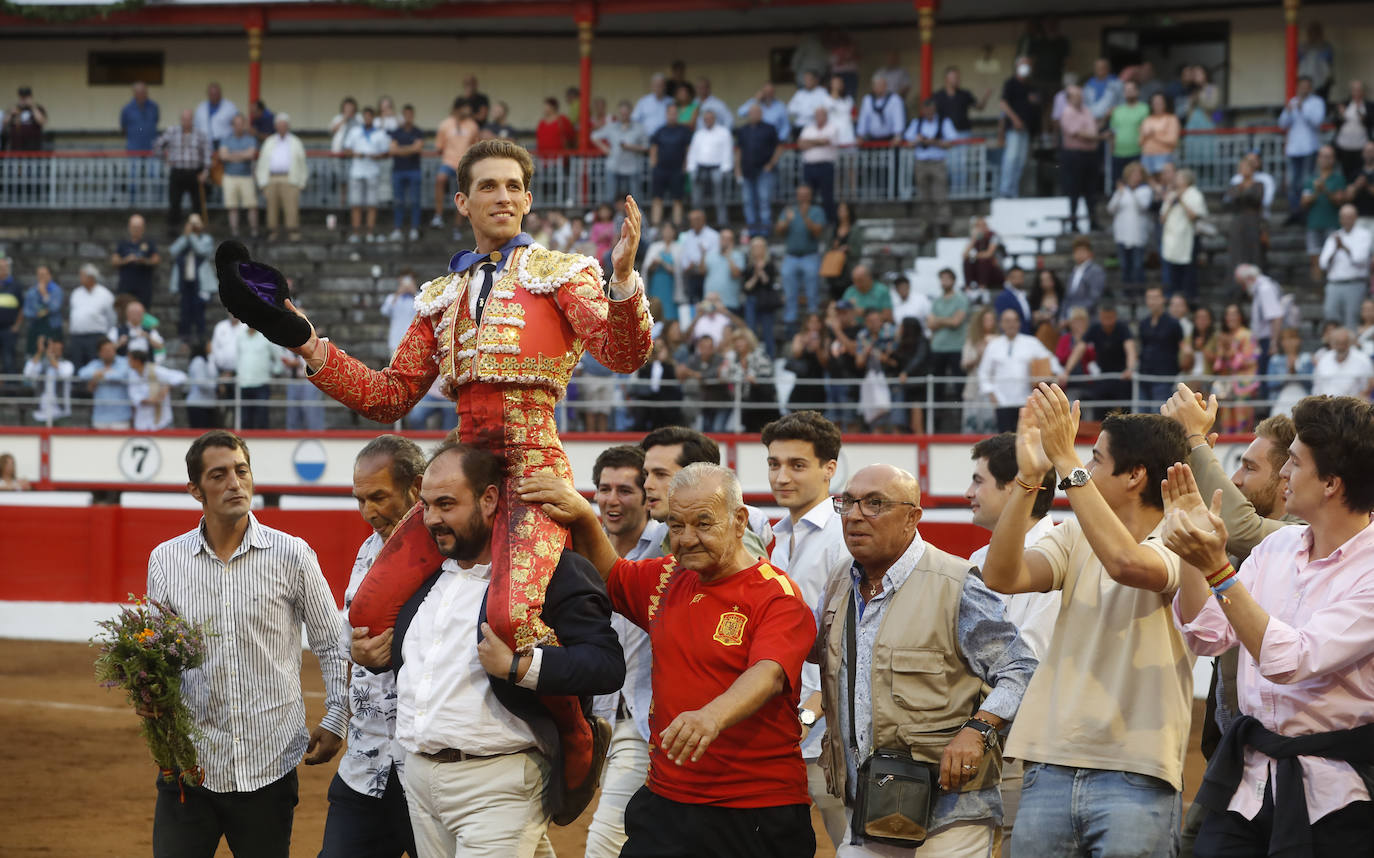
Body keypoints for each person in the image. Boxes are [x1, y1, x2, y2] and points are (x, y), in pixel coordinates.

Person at [225, 138, 651, 803]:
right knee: (365, 613)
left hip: (535, 474)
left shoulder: (564, 273)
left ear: (529, 199)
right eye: (489, 187)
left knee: (512, 620)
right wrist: (304, 339)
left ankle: (575, 728)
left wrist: (624, 279)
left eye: (514, 186)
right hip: (460, 476)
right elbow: (386, 396)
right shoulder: (440, 297)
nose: (503, 197)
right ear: (463, 201)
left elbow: (624, 354)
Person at [519, 462, 818, 858]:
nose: (687, 539)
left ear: (739, 520)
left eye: (703, 524)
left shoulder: (776, 595)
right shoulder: (667, 577)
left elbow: (768, 673)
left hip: (754, 807)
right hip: (667, 798)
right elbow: (611, 574)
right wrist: (581, 514)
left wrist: (711, 715)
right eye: (676, 526)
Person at [347, 441, 622, 857]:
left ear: (490, 499)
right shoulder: (422, 581)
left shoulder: (552, 573)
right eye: (426, 506)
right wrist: (368, 654)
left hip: (501, 780)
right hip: (420, 778)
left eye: (446, 504)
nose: (433, 519)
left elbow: (605, 664)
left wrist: (520, 666)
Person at [981, 388, 1196, 858]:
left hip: (1136, 768)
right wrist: (1029, 477)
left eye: (1097, 459)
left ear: (1135, 474)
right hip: (1050, 760)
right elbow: (1001, 575)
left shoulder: (1184, 535)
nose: (1087, 467)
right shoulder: (1075, 532)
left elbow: (1126, 563)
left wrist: (1063, 458)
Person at [1165, 394, 1374, 854]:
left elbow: (1290, 659)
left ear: (1331, 483)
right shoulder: (1276, 550)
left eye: (1294, 462)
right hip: (1248, 783)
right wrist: (1189, 549)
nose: (1283, 473)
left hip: (1335, 796)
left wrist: (1218, 569)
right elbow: (1205, 633)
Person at [813, 463, 1037, 855]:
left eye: (875, 504)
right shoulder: (838, 585)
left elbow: (1020, 669)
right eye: (847, 503)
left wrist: (979, 729)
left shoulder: (955, 583)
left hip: (951, 812)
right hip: (869, 810)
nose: (854, 515)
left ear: (912, 517)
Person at [146, 430, 347, 857]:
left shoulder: (292, 554)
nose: (235, 483)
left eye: (241, 471)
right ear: (195, 490)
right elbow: (156, 656)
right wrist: (148, 691)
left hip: (267, 765)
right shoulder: (165, 560)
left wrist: (336, 719)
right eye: (218, 475)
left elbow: (332, 643)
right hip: (189, 765)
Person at [1158, 384, 1302, 855]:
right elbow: (1204, 630)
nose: (1236, 479)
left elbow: (1241, 530)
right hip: (1238, 747)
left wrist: (1197, 444)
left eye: (1249, 467)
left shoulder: (1294, 540)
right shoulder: (1262, 552)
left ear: (1287, 480)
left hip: (1288, 757)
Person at [317, 436, 424, 858]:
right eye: (360, 500)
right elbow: (351, 643)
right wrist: (340, 712)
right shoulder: (368, 549)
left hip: (426, 765)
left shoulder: (451, 552)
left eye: (378, 497)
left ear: (416, 487)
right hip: (366, 759)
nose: (368, 512)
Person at [756, 411, 850, 850]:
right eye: (774, 464)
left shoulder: (844, 538)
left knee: (854, 842)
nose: (781, 475)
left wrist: (810, 716)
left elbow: (850, 644)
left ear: (829, 468)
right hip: (781, 728)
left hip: (825, 730)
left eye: (797, 465)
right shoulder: (772, 537)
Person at [582, 445, 666, 858]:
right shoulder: (580, 550)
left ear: (646, 495)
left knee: (606, 838)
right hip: (597, 714)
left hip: (642, 717)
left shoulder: (670, 547)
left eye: (625, 490)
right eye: (604, 489)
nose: (612, 500)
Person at [979, 308, 1061, 432]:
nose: (1011, 324)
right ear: (1001, 324)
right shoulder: (993, 345)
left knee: (1025, 441)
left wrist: (1060, 373)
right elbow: (983, 372)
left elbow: (1050, 359)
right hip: (1001, 402)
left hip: (1025, 401)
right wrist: (991, 393)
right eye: (1007, 321)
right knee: (1004, 442)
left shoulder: (1031, 342)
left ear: (1019, 323)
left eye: (1014, 321)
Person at [776, 184, 826, 338]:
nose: (803, 197)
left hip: (810, 255)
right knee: (788, 284)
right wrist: (787, 222)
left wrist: (805, 217)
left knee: (812, 287)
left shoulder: (817, 211)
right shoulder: (789, 211)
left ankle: (813, 318)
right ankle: (790, 320)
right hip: (791, 256)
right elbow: (778, 230)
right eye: (800, 194)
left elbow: (818, 232)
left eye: (806, 194)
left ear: (810, 196)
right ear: (797, 196)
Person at [903, 98, 956, 234]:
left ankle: (944, 224)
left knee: (940, 195)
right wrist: (918, 141)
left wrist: (934, 142)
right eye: (926, 110)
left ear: (934, 109)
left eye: (930, 109)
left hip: (937, 162)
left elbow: (951, 142)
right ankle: (927, 225)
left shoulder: (944, 122)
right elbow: (908, 143)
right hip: (921, 163)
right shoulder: (917, 123)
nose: (928, 112)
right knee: (924, 196)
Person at [255, 114, 307, 242]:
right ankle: (273, 234)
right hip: (271, 179)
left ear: (288, 126)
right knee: (271, 210)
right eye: (279, 125)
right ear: (275, 126)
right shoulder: (269, 141)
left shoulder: (295, 142)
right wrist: (262, 184)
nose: (282, 127)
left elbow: (302, 164)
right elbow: (261, 163)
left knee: (291, 209)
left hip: (290, 179)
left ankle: (293, 235)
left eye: (284, 125)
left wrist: (301, 183)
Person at [1319, 204, 1372, 330]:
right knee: (1330, 317)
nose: (1346, 220)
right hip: (1334, 284)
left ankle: (1352, 348)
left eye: (1349, 217)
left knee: (1352, 319)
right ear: (1340, 219)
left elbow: (1360, 259)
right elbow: (1323, 264)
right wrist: (1335, 249)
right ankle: (1333, 347)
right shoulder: (1334, 236)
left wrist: (1344, 247)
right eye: (1343, 217)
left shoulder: (1364, 235)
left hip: (1355, 283)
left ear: (1355, 218)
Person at [432, 98, 480, 236]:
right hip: (448, 163)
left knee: (464, 191)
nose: (469, 111)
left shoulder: (472, 125)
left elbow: (475, 146)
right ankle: (438, 216)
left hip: (464, 165)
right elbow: (439, 147)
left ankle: (457, 226)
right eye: (466, 107)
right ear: (458, 108)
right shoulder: (445, 124)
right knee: (440, 179)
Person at [343, 106, 390, 244]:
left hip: (372, 172)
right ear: (363, 117)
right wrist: (356, 154)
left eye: (370, 116)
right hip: (356, 172)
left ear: (373, 118)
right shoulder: (355, 131)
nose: (368, 118)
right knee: (356, 204)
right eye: (366, 116)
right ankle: (356, 233)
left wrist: (377, 156)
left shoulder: (380, 133)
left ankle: (369, 233)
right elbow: (346, 150)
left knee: (371, 205)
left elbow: (386, 153)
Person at [1058, 85, 1102, 231]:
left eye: (1080, 95)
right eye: (1076, 95)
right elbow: (1078, 134)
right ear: (1069, 98)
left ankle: (1093, 222)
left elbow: (1093, 129)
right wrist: (1099, 137)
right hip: (1074, 155)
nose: (1080, 98)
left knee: (1091, 190)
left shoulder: (1087, 111)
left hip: (1090, 154)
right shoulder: (1067, 113)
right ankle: (1073, 223)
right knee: (1074, 189)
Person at [734, 104, 782, 237]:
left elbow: (779, 148)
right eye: (752, 112)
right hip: (746, 170)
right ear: (748, 114)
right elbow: (739, 151)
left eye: (757, 112)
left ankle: (765, 229)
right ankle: (752, 229)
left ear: (761, 114)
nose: (755, 115)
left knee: (764, 199)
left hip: (764, 170)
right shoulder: (743, 130)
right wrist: (737, 169)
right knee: (748, 201)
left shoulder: (769, 128)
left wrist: (771, 164)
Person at [1303, 144, 1349, 282]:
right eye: (1322, 156)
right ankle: (1318, 292)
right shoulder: (1311, 179)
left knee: (1332, 259)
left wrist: (1325, 190)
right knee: (1314, 259)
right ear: (1318, 159)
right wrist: (1317, 191)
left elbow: (1340, 200)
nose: (1324, 159)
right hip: (1314, 224)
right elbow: (1304, 202)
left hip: (1332, 224)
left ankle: (1331, 287)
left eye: (1328, 157)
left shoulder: (1338, 178)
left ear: (1333, 160)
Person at [1160, 168, 1207, 300]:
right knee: (1173, 272)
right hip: (1171, 238)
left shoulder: (1194, 194)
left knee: (1188, 272)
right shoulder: (1171, 194)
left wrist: (1181, 200)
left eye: (1179, 177)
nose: (1176, 179)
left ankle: (1189, 299)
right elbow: (1162, 218)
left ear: (1187, 180)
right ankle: (1174, 298)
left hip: (1188, 238)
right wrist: (1170, 202)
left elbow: (1194, 216)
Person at [998, 57, 1041, 199]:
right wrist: (1015, 119)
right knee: (1011, 159)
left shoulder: (1030, 86)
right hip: (1013, 130)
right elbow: (1003, 104)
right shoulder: (1010, 83)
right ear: (1017, 66)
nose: (1026, 67)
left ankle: (1013, 191)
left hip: (1026, 130)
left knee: (1021, 161)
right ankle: (1005, 190)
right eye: (1023, 64)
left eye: (1028, 64)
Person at [1136, 285, 1185, 405]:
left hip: (1164, 376)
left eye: (1156, 297)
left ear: (1163, 299)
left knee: (1159, 415)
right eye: (1149, 298)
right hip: (1144, 375)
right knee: (1142, 417)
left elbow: (1181, 346)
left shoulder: (1173, 323)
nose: (1152, 301)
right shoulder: (1144, 323)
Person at [593, 101, 649, 205]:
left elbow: (646, 147)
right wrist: (605, 148)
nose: (623, 115)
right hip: (614, 166)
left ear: (630, 112)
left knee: (634, 200)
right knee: (611, 197)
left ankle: (636, 220)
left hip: (632, 168)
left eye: (626, 113)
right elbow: (594, 136)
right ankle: (611, 219)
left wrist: (631, 147)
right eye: (622, 113)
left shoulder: (639, 128)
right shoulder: (611, 127)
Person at [1084, 305, 1138, 413]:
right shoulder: (1094, 329)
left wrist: (1130, 369)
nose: (1107, 322)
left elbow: (1130, 349)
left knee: (1126, 411)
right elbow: (1079, 348)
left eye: (1110, 318)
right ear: (1100, 317)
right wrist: (1066, 371)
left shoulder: (1123, 328)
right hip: (1102, 376)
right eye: (1105, 318)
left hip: (1122, 377)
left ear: (1115, 316)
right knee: (1099, 410)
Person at [1108, 161, 1153, 288]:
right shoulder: (1121, 191)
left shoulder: (1145, 190)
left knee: (1137, 265)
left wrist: (1132, 191)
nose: (1135, 177)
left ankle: (1139, 291)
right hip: (1122, 234)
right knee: (1124, 265)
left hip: (1138, 235)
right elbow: (1110, 209)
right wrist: (1120, 194)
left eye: (1138, 174)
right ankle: (1127, 292)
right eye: (1133, 174)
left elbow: (1143, 206)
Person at [216, 113, 259, 238]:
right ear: (232, 126)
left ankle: (254, 232)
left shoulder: (250, 139)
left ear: (244, 125)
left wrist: (232, 155)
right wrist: (242, 155)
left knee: (252, 206)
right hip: (229, 176)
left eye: (241, 124)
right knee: (232, 207)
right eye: (236, 124)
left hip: (246, 176)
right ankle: (234, 233)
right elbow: (223, 156)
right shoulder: (226, 139)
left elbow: (250, 155)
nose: (239, 127)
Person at [649, 103, 693, 227]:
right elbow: (653, 148)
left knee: (677, 200)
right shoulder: (660, 131)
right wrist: (654, 165)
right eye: (670, 113)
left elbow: (688, 149)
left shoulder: (684, 131)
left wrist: (686, 166)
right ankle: (655, 226)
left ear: (677, 115)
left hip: (677, 170)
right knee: (657, 198)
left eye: (675, 113)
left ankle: (677, 226)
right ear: (666, 114)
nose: (672, 116)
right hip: (661, 169)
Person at [66, 264, 117, 371]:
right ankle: (77, 388)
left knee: (94, 364)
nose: (80, 279)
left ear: (91, 277)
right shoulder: (76, 293)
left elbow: (112, 317)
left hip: (95, 336)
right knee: (77, 364)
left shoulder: (105, 294)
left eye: (82, 276)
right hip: (77, 336)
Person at [686, 110, 732, 227]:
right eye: (706, 119)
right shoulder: (699, 134)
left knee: (719, 199)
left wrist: (725, 169)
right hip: (700, 168)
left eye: (710, 118)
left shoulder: (723, 132)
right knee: (697, 200)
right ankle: (698, 224)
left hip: (717, 168)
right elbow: (693, 152)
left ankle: (722, 223)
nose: (708, 121)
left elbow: (727, 151)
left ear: (714, 119)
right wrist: (691, 168)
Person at [126, 344, 186, 432]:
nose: (128, 362)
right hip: (142, 421)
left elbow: (181, 376)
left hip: (162, 421)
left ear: (137, 361)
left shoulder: (156, 370)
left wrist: (167, 387)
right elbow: (133, 395)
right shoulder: (132, 374)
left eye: (130, 360)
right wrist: (150, 400)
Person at [388, 104, 425, 242]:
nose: (408, 117)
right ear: (403, 115)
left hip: (414, 170)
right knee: (398, 201)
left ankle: (414, 228)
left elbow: (417, 148)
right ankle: (398, 228)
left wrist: (401, 149)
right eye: (406, 114)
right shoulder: (396, 132)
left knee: (415, 201)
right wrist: (410, 148)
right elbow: (392, 150)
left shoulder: (418, 132)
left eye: (410, 114)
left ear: (413, 115)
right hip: (398, 170)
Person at [109, 213, 160, 310]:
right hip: (126, 286)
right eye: (134, 227)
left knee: (143, 314)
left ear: (143, 228)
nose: (136, 230)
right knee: (124, 313)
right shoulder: (123, 243)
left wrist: (144, 261)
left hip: (144, 287)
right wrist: (126, 260)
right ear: (129, 227)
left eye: (138, 227)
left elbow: (156, 260)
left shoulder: (149, 243)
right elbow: (114, 261)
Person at [120, 82, 160, 201]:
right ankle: (133, 202)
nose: (142, 94)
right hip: (134, 147)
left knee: (154, 176)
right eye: (139, 92)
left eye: (144, 92)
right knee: (133, 176)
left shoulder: (154, 107)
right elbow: (123, 127)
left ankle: (155, 201)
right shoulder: (127, 109)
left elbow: (156, 121)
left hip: (152, 147)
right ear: (134, 93)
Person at [797, 107, 839, 218]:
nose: (819, 117)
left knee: (827, 196)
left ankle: (830, 221)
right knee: (807, 195)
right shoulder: (808, 128)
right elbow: (801, 144)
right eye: (817, 115)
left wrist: (809, 142)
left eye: (821, 115)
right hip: (809, 166)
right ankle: (808, 219)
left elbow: (826, 141)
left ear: (826, 116)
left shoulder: (832, 127)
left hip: (826, 166)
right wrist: (818, 141)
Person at [1311, 326, 1374, 398]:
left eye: (1344, 342)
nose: (1341, 346)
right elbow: (1317, 385)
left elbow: (1368, 386)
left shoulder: (1363, 359)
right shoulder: (1324, 359)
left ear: (1350, 342)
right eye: (1337, 343)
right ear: (1331, 343)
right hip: (1326, 404)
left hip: (1352, 404)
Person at [1333, 80, 1373, 181]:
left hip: (1361, 146)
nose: (1357, 93)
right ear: (1351, 92)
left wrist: (1364, 118)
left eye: (1359, 90)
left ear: (1363, 92)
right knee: (1345, 172)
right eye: (1354, 90)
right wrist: (1341, 115)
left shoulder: (1369, 105)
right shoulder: (1344, 104)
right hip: (1344, 145)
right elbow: (1335, 123)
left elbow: (1371, 122)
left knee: (1360, 173)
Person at [1062, 237, 1105, 320]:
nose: (1079, 254)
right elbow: (1067, 298)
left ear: (1090, 253)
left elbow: (1094, 298)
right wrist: (1063, 316)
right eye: (1077, 251)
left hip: (1087, 317)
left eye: (1082, 251)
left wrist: (1076, 313)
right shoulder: (1073, 272)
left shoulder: (1095, 271)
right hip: (1071, 317)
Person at [192, 82, 237, 149]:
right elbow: (195, 125)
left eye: (216, 94)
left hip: (224, 142)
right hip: (205, 143)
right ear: (208, 94)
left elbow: (238, 123)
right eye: (211, 94)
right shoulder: (201, 107)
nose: (214, 96)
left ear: (220, 94)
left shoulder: (230, 107)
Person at [787, 70, 830, 139]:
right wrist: (809, 110)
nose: (807, 81)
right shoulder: (799, 93)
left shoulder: (822, 92)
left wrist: (802, 110)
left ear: (816, 80)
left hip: (815, 127)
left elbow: (825, 109)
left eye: (809, 79)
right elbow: (790, 109)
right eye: (805, 79)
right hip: (799, 126)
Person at [5, 85, 47, 151]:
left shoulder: (37, 108)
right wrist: (11, 113)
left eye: (26, 97)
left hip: (34, 148)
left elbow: (42, 121)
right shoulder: (14, 108)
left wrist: (32, 107)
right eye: (22, 97)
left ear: (31, 97)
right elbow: (5, 122)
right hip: (16, 149)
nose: (24, 100)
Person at [993, 265, 1032, 334]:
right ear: (1008, 278)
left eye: (1020, 277)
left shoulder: (1023, 295)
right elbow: (1002, 320)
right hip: (1013, 336)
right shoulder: (1003, 297)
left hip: (1026, 335)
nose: (1018, 279)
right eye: (1015, 277)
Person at [632, 74, 672, 139]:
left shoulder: (671, 101)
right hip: (647, 137)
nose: (658, 88)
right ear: (652, 86)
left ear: (665, 86)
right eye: (656, 85)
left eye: (660, 85)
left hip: (666, 138)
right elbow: (634, 120)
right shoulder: (643, 101)